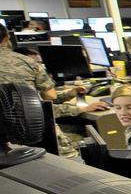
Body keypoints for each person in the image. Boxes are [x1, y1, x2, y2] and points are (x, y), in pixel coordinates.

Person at [0, 24, 106, 159]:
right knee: (74, 153)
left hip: (6, 141)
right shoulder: (26, 61)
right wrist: (82, 108)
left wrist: (69, 93)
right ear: (6, 38)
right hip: (30, 131)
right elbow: (48, 101)